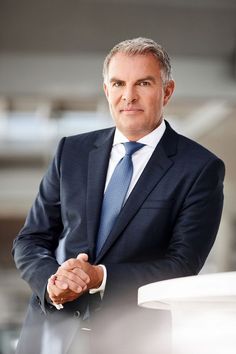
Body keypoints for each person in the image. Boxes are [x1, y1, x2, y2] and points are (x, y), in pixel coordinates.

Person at [13, 37, 225, 354]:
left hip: (133, 340)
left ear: (167, 91)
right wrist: (52, 283)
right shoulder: (71, 151)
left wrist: (100, 276)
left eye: (143, 83)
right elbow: (31, 239)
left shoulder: (199, 168)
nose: (129, 96)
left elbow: (182, 265)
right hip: (48, 336)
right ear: (106, 90)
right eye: (118, 83)